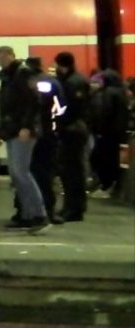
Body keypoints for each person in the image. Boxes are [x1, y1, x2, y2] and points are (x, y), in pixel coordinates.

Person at [0, 56, 48, 231]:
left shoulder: (21, 74)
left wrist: (26, 126)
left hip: (22, 131)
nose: (0, 61)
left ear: (10, 56)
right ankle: (27, 214)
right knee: (17, 173)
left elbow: (32, 102)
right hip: (15, 130)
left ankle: (39, 214)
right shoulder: (12, 76)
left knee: (20, 172)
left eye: (1, 58)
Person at [26, 57, 65, 223]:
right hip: (48, 133)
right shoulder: (52, 82)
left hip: (32, 134)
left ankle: (29, 211)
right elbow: (61, 107)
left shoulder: (25, 83)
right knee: (46, 173)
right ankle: (48, 210)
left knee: (29, 173)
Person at [53, 52, 91, 221]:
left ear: (62, 65)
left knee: (72, 171)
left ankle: (73, 208)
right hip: (74, 129)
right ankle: (73, 207)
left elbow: (71, 108)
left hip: (72, 131)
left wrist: (60, 123)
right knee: (72, 170)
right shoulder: (74, 80)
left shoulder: (73, 82)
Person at [90, 70, 129, 198]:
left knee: (101, 159)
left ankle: (105, 185)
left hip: (107, 132)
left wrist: (99, 129)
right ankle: (112, 185)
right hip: (119, 132)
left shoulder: (107, 93)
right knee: (114, 160)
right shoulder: (122, 92)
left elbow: (104, 112)